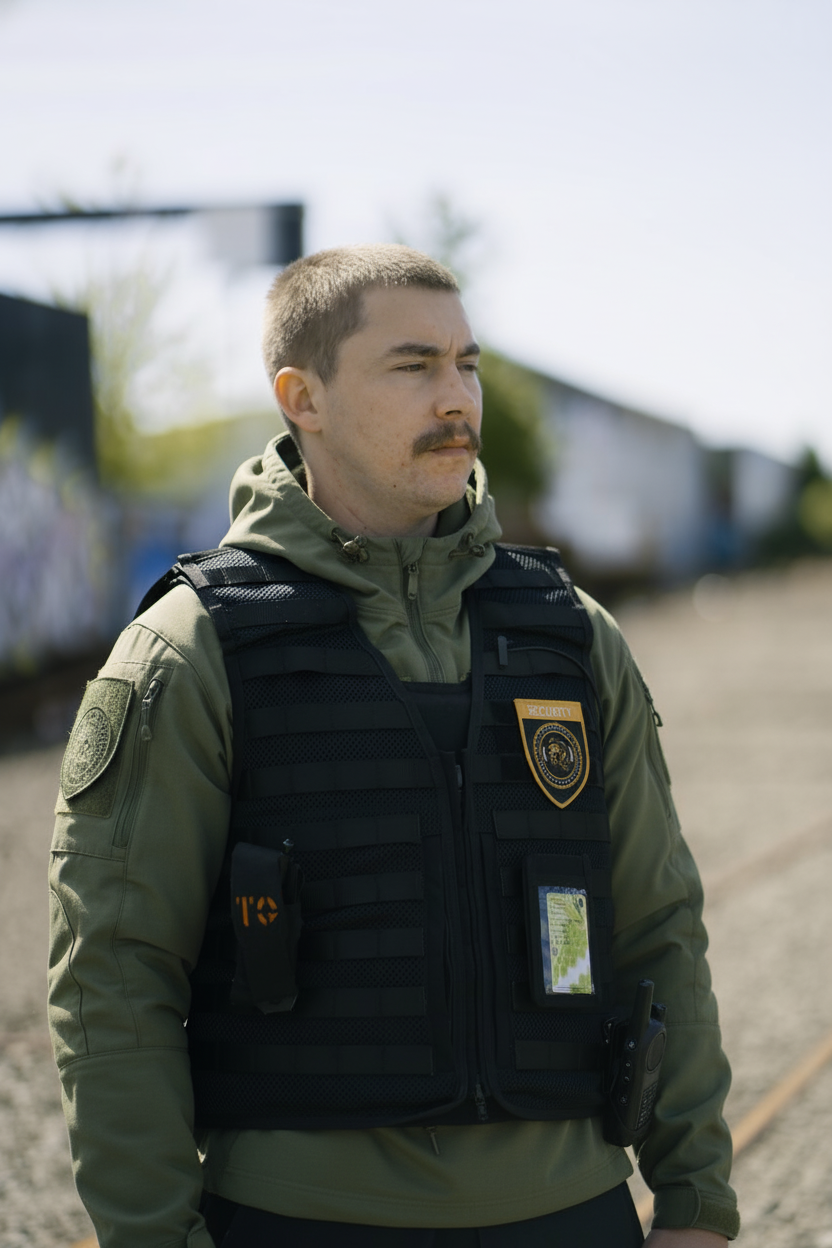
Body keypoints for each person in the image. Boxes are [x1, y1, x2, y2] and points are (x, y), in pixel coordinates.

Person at [48, 244, 739, 1248]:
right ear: (303, 397)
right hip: (302, 1221)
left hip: (572, 1215)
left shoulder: (569, 635)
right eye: (413, 366)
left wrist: (695, 1203)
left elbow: (658, 928)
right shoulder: (193, 651)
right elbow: (114, 975)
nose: (455, 396)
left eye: (466, 364)